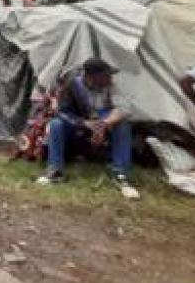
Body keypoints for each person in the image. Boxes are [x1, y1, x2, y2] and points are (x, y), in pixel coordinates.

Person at [37, 57, 138, 199]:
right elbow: (62, 112)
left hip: (104, 122)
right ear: (92, 77)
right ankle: (55, 170)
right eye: (106, 75)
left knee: (123, 125)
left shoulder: (110, 86)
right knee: (56, 124)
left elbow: (125, 108)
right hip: (79, 125)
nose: (110, 78)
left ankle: (120, 174)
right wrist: (83, 123)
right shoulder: (73, 85)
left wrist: (105, 124)